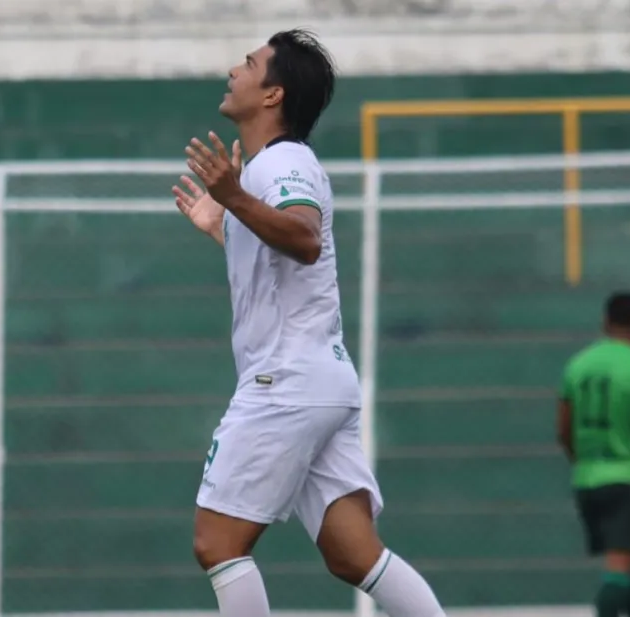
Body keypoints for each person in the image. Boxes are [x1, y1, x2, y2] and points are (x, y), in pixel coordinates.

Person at [170, 28, 447, 617]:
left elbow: (304, 237)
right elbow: (279, 254)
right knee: (355, 555)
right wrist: (223, 222)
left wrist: (236, 198)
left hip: (284, 385)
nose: (235, 70)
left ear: (273, 95)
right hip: (320, 382)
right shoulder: (267, 172)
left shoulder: (283, 161)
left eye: (249, 64)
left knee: (216, 543)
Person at [557, 292, 630, 617]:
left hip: (587, 477)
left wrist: (582, 462)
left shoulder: (577, 366)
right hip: (626, 477)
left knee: (629, 566)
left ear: (605, 323)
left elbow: (563, 429)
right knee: (619, 570)